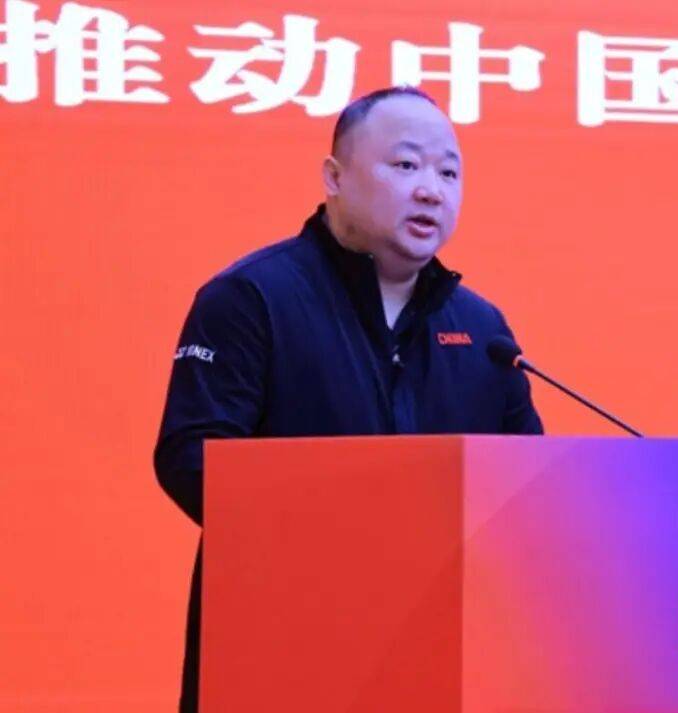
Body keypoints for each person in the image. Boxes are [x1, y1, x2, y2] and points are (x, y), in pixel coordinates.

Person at [153, 86, 542, 712]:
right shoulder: (253, 299)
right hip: (281, 644)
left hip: (441, 653)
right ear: (334, 177)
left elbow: (529, 487)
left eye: (449, 173)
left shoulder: (483, 331)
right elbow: (191, 458)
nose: (431, 190)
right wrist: (345, 536)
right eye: (406, 164)